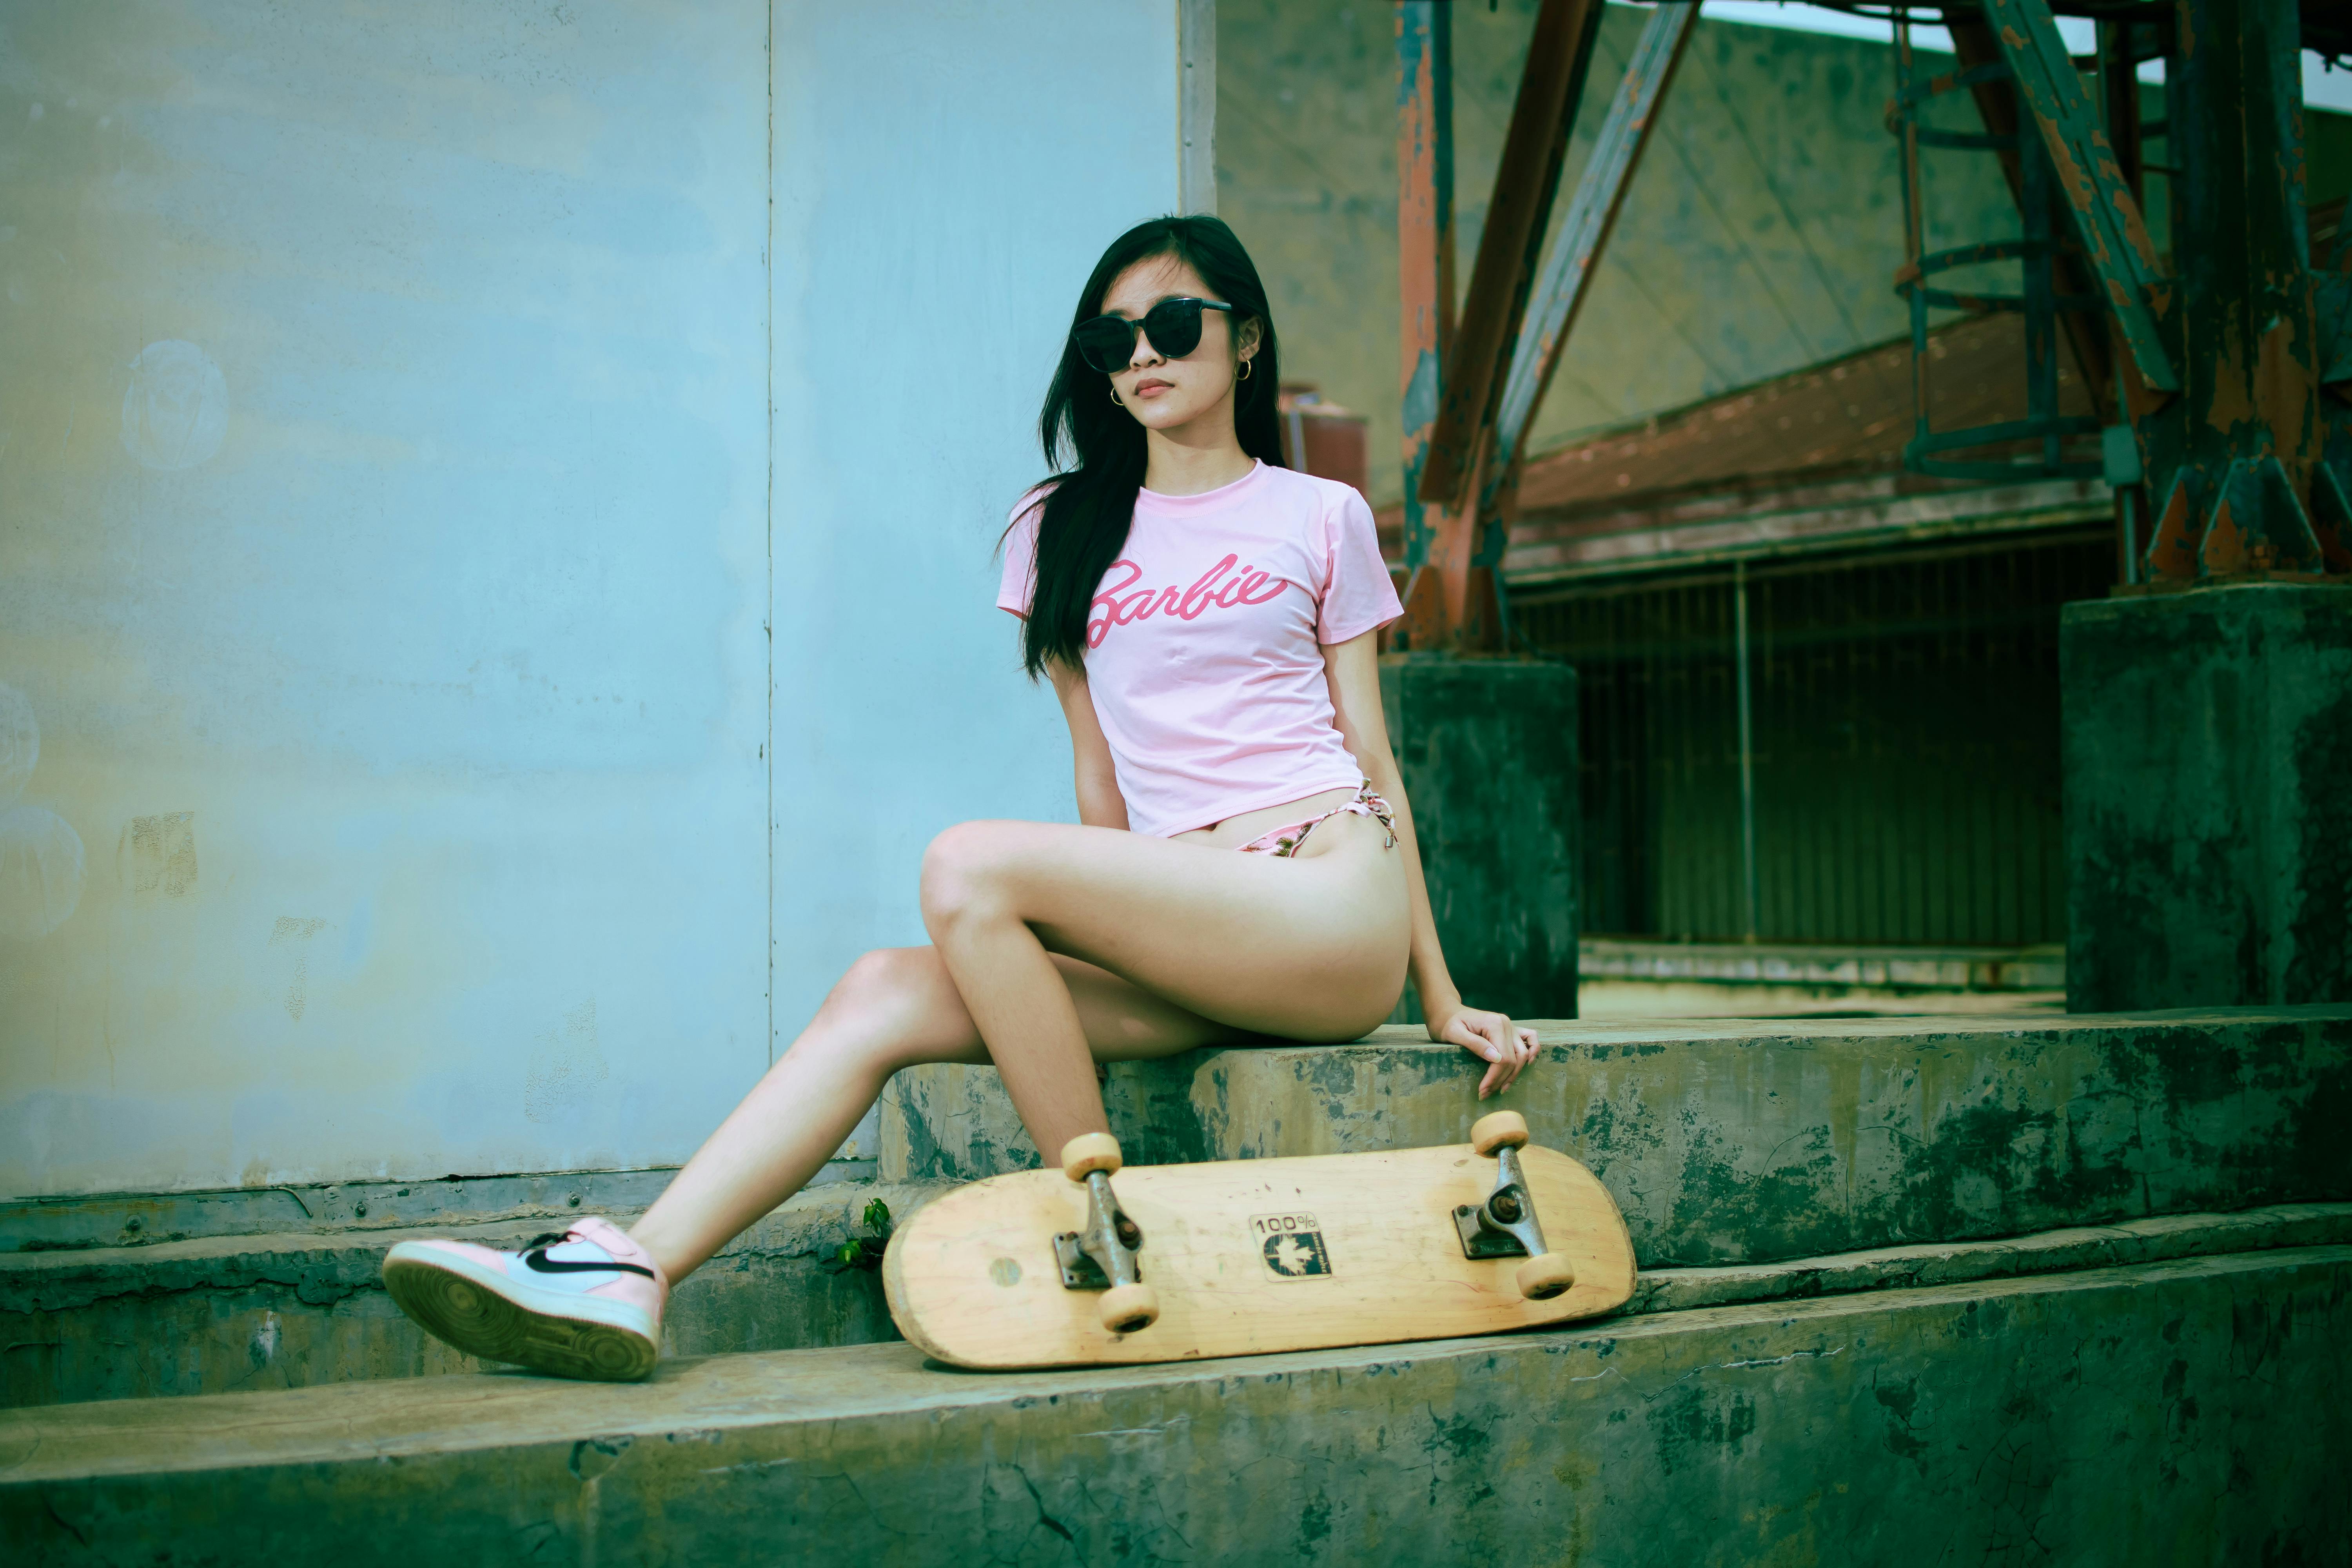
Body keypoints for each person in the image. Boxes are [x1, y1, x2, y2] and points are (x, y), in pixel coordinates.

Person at [380, 215, 1541, 1381]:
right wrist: (1121, 936)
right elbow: (1104, 777)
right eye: (1113, 337)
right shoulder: (1061, 527)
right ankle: (633, 1269)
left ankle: (1094, 1211)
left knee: (965, 862)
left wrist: (1439, 995)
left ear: (1244, 341)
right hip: (1197, 925)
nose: (1143, 354)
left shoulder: (1317, 514)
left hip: (1326, 902)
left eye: (1174, 325)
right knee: (883, 989)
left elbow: (1373, 762)